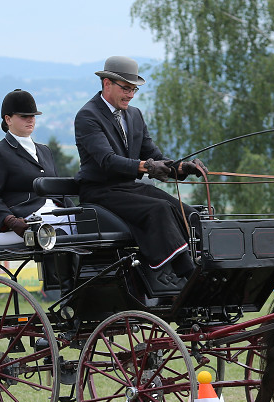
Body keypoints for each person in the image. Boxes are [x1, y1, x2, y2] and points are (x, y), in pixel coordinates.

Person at [74, 56, 207, 277]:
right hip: (100, 191)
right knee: (160, 209)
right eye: (126, 89)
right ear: (107, 83)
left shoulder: (134, 115)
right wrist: (147, 167)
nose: (131, 95)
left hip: (130, 189)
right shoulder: (88, 116)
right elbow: (107, 161)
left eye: (134, 90)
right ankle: (184, 273)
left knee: (191, 214)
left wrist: (184, 168)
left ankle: (205, 263)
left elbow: (154, 156)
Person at [0, 89, 73, 245]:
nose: (30, 120)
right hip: (19, 222)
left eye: (33, 116)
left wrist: (77, 212)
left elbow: (58, 190)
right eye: (24, 116)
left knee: (91, 223)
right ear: (8, 119)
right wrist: (10, 220)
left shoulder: (45, 151)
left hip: (52, 213)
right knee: (60, 232)